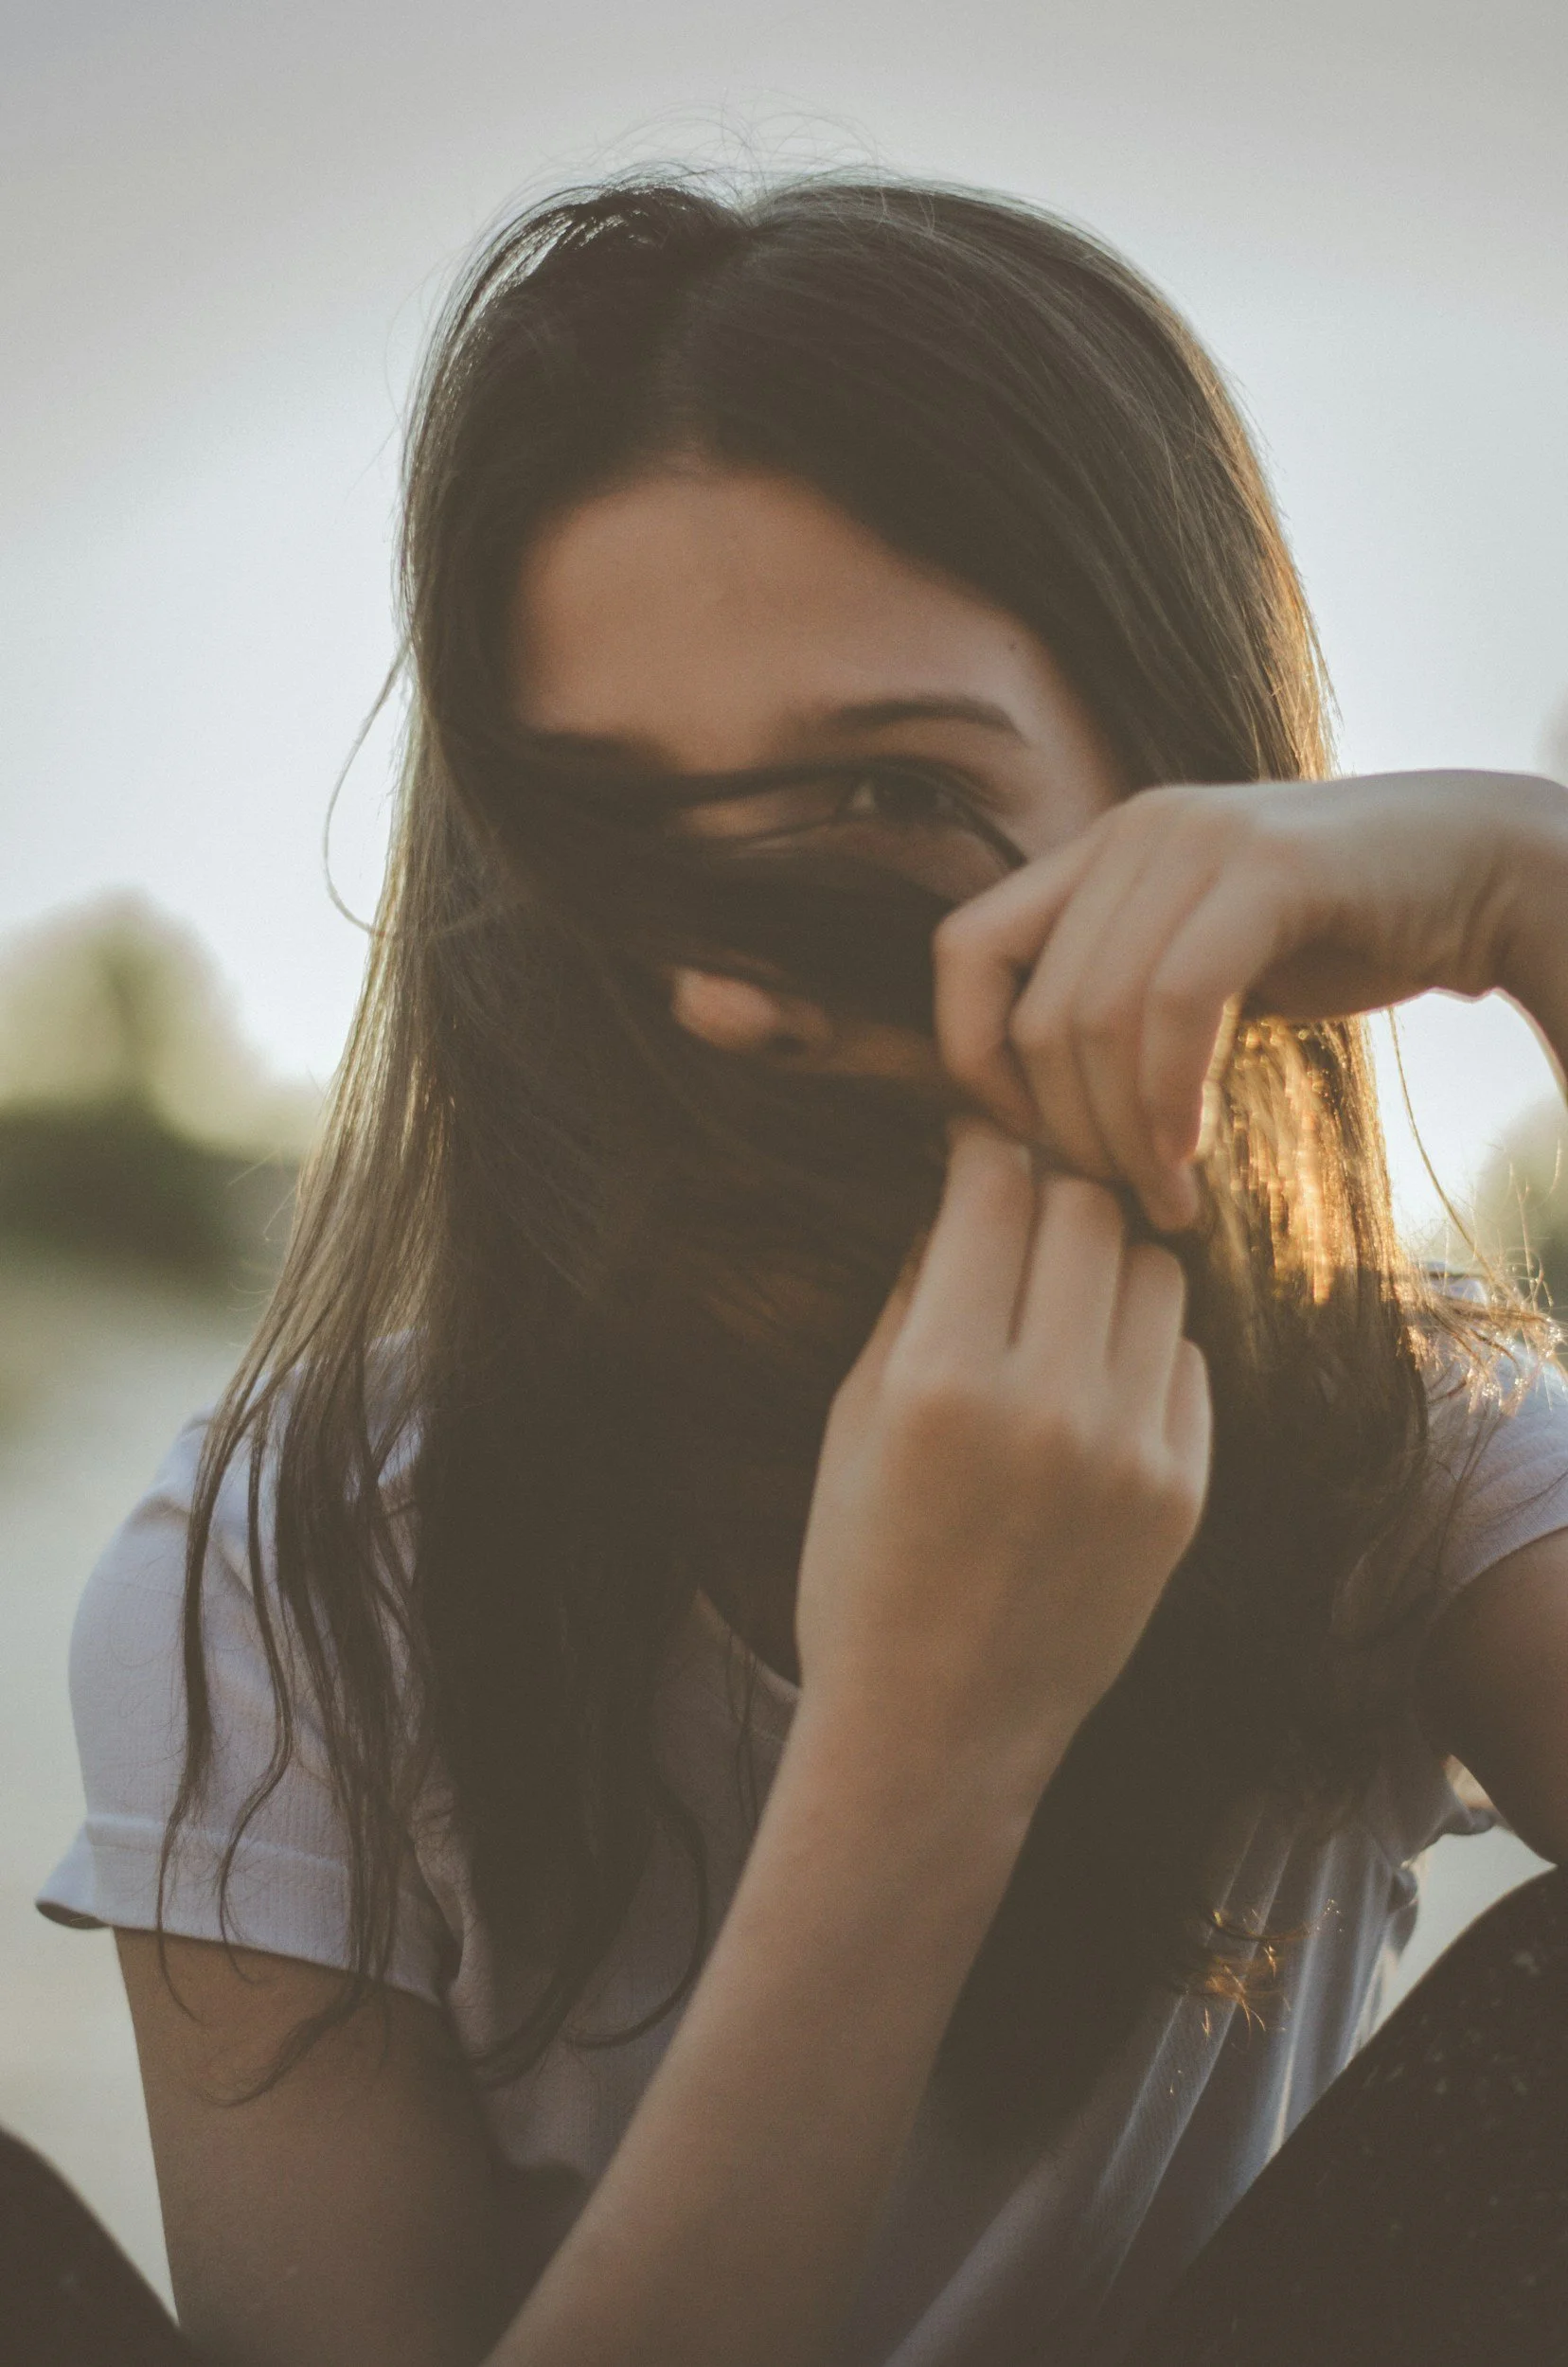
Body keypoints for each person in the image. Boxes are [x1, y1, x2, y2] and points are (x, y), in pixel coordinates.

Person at [33, 176, 1568, 2367]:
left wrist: (1530, 890)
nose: (729, 1004)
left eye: (880, 787)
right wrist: (922, 1748)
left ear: (1185, 803)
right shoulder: (292, 1579)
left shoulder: (1391, 1456)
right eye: (615, 829)